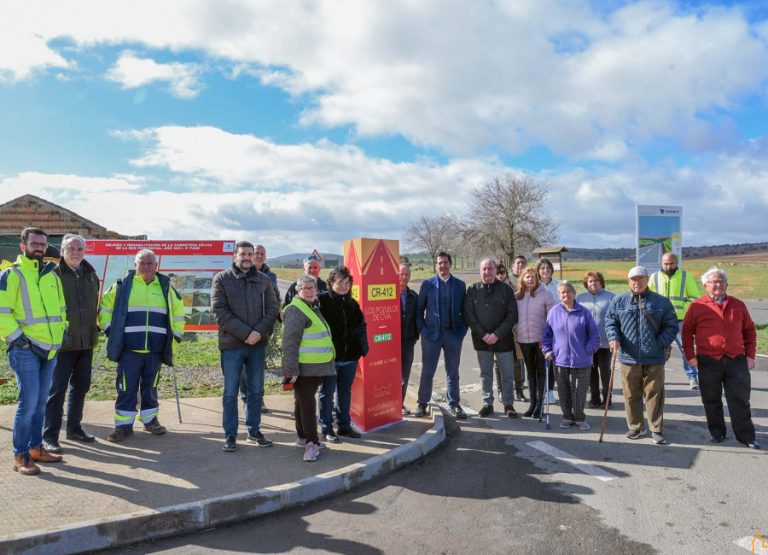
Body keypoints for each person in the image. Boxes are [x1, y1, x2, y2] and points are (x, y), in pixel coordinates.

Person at [100, 249, 185, 443]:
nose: (146, 267)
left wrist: (176, 338)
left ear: (156, 266)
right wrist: (110, 330)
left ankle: (150, 420)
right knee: (126, 388)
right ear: (135, 265)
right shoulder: (122, 286)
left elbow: (179, 314)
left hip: (155, 350)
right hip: (128, 350)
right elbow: (104, 309)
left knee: (151, 387)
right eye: (142, 263)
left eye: (150, 263)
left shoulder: (166, 288)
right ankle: (123, 427)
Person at [1, 228, 67, 475]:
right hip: (25, 349)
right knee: (28, 404)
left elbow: (61, 308)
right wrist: (18, 339)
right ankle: (20, 456)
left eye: (43, 244)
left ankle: (36, 448)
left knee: (40, 403)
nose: (39, 247)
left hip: (50, 349)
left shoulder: (52, 275)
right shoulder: (12, 274)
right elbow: (2, 312)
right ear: (23, 246)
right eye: (34, 243)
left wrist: (62, 332)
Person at [211, 241, 279, 452]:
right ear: (235, 256)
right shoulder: (222, 279)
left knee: (256, 391)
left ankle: (254, 431)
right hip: (232, 345)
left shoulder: (263, 280)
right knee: (230, 393)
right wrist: (246, 333)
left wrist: (258, 332)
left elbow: (273, 309)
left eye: (250, 254)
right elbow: (219, 311)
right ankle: (230, 435)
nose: (247, 257)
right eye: (243, 254)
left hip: (257, 345)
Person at [682, 267, 759, 449]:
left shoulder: (738, 305)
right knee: (711, 399)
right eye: (714, 282)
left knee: (740, 399)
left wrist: (750, 356)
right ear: (705, 285)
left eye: (722, 281)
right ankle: (717, 432)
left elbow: (749, 331)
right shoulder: (697, 306)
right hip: (708, 360)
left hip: (736, 360)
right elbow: (686, 333)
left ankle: (746, 436)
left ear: (727, 284)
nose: (718, 285)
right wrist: (690, 356)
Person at [605, 266, 677, 445]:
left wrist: (659, 344)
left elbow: (671, 325)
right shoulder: (619, 301)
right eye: (633, 279)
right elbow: (611, 322)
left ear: (647, 279)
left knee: (654, 395)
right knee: (631, 394)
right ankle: (636, 426)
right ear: (628, 281)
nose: (637, 282)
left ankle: (656, 428)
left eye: (641, 279)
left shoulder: (662, 302)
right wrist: (613, 337)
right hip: (629, 357)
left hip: (654, 357)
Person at [42, 234, 100, 454]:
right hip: (62, 344)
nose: (76, 252)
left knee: (81, 387)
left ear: (85, 251)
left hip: (86, 343)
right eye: (71, 248)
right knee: (56, 391)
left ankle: (74, 429)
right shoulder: (53, 274)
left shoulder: (91, 275)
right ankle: (49, 436)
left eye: (80, 249)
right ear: (62, 250)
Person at [282, 275, 337, 462]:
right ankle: (312, 444)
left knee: (301, 403)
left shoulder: (311, 307)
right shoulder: (296, 310)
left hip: (314, 367)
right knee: (307, 406)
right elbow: (290, 343)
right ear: (297, 291)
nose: (308, 291)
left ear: (316, 290)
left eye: (311, 287)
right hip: (303, 369)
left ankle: (302, 438)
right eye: (304, 288)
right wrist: (291, 371)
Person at [415, 252, 468, 419]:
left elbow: (465, 310)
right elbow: (419, 310)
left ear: (450, 264)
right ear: (436, 265)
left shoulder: (460, 285)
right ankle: (422, 402)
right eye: (439, 263)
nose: (442, 266)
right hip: (431, 335)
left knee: (453, 371)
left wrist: (462, 331)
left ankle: (454, 404)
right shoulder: (427, 284)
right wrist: (423, 330)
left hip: (453, 335)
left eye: (445, 262)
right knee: (427, 370)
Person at [318, 266, 368, 441]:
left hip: (350, 358)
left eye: (348, 283)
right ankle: (326, 428)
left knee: (345, 392)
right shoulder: (321, 301)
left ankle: (344, 426)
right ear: (331, 283)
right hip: (329, 358)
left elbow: (361, 327)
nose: (345, 286)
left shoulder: (352, 303)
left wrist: (361, 349)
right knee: (326, 392)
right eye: (340, 282)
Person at [464, 258, 519, 418]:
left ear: (495, 270)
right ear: (480, 271)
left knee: (507, 374)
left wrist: (497, 334)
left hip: (504, 340)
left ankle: (508, 404)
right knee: (485, 374)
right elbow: (469, 315)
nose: (487, 272)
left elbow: (512, 315)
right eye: (484, 269)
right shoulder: (472, 290)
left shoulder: (506, 290)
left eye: (490, 269)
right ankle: (487, 403)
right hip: (481, 341)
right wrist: (483, 334)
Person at [542, 281, 600, 430]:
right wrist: (547, 350)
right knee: (563, 390)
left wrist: (588, 350)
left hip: (582, 360)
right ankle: (567, 417)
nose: (566, 294)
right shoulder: (554, 312)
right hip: (560, 359)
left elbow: (594, 335)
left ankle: (580, 418)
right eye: (563, 292)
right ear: (559, 295)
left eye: (568, 291)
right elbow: (546, 335)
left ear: (574, 293)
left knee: (580, 391)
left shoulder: (584, 312)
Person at [649, 253, 701, 389]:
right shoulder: (654, 277)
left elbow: (695, 297)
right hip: (660, 322)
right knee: (658, 350)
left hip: (680, 321)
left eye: (671, 263)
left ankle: (692, 377)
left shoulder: (685, 276)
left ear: (676, 263)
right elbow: (649, 297)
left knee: (686, 349)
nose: (668, 266)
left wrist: (682, 308)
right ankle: (656, 377)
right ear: (661, 263)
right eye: (666, 263)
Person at [239, 243, 281, 414]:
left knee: (258, 367)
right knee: (243, 368)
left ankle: (259, 398)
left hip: (262, 328)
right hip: (242, 329)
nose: (259, 256)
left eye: (262, 254)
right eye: (257, 253)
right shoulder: (241, 273)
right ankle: (245, 398)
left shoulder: (271, 277)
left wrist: (271, 322)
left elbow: (276, 299)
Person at [515, 267, 554, 418]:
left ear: (537, 279)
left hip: (540, 340)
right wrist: (515, 329)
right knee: (530, 373)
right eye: (527, 277)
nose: (530, 279)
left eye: (533, 277)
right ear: (522, 279)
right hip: (524, 339)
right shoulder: (517, 296)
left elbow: (551, 319)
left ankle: (540, 405)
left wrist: (548, 337)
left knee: (541, 372)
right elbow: (512, 316)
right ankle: (532, 404)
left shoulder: (546, 295)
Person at [576, 271, 616, 408]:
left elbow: (616, 318)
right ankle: (594, 397)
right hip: (587, 343)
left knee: (605, 370)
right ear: (586, 283)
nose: (594, 283)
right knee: (591, 371)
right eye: (591, 281)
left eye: (597, 280)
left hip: (605, 342)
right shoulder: (580, 298)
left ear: (601, 282)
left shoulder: (611, 297)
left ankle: (607, 397)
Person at [535, 257, 559, 402]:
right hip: (538, 328)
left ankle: (549, 390)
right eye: (542, 268)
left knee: (551, 359)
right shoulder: (534, 285)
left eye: (548, 268)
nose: (545, 270)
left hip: (555, 328)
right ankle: (540, 390)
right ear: (538, 270)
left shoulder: (559, 285)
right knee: (539, 361)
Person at [508, 255, 529, 402]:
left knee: (519, 359)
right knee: (505, 360)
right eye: (518, 263)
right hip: (507, 325)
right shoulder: (507, 280)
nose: (520, 265)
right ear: (512, 266)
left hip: (523, 324)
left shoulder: (529, 280)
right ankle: (506, 388)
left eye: (523, 263)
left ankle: (520, 388)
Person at [399, 263, 419, 415]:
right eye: (401, 274)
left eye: (407, 274)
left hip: (408, 341)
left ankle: (400, 404)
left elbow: (418, 318)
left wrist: (415, 336)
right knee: (390, 374)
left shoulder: (414, 296)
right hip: (391, 342)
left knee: (404, 375)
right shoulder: (388, 294)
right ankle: (390, 404)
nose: (404, 277)